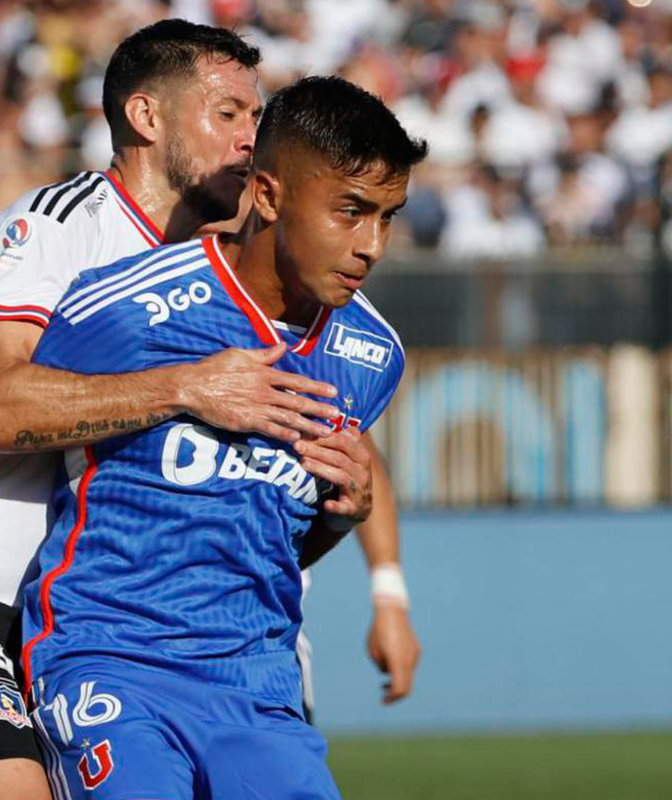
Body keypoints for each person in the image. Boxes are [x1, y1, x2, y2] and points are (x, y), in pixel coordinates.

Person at [0, 21, 414, 800]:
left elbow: (308, 467)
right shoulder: (58, 231)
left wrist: (372, 563)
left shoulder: (256, 277)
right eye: (230, 114)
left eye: (257, 115)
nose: (252, 137)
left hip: (130, 619)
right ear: (148, 118)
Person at [23, 75, 426, 800]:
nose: (371, 246)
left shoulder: (373, 354)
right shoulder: (131, 306)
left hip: (255, 683)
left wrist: (348, 514)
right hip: (113, 660)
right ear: (268, 195)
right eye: (351, 212)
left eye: (388, 218)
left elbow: (284, 533)